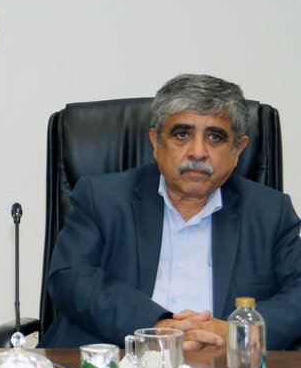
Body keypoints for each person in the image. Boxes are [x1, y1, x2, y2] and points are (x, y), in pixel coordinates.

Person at [42, 74, 301, 350]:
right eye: (182, 134)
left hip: (224, 367)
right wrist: (158, 328)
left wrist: (238, 331)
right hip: (116, 364)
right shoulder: (101, 198)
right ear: (156, 142)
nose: (198, 152)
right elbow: (70, 278)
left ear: (238, 149)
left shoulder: (270, 212)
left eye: (215, 137)